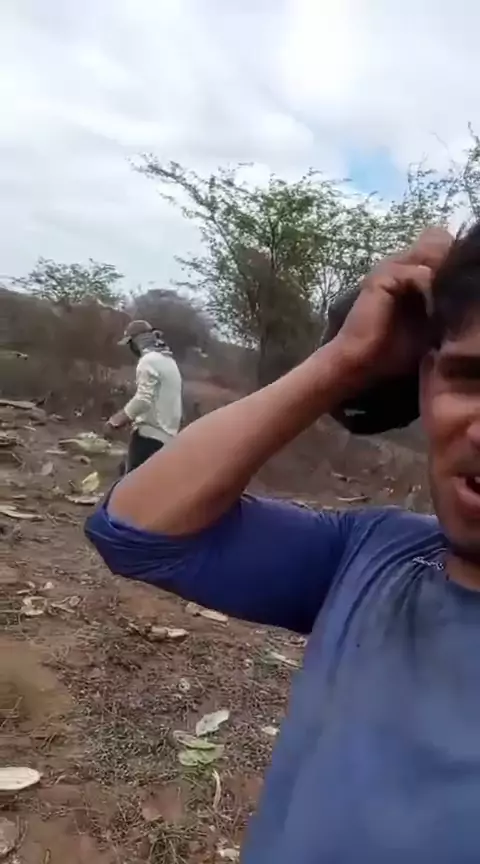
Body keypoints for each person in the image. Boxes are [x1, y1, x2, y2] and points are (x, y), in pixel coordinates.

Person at [85, 224, 480, 863]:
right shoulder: (376, 555)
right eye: (470, 378)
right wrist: (342, 361)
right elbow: (137, 530)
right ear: (429, 382)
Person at [105, 320, 182, 472]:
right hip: (167, 438)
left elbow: (143, 399)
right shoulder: (169, 361)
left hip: (148, 437)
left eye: (130, 343)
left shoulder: (148, 361)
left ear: (136, 341)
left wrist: (116, 421)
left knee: (132, 482)